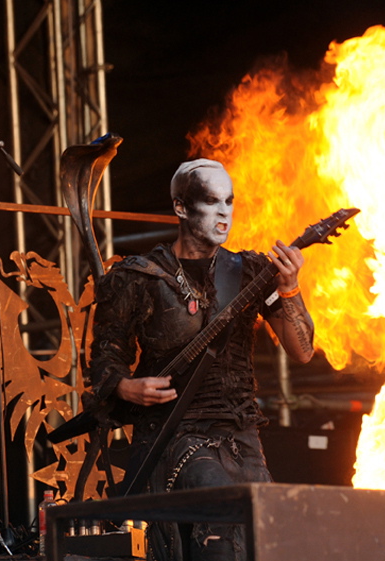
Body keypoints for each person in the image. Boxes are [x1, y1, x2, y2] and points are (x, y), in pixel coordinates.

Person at [86, 158, 315, 561]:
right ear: (180, 207)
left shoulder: (251, 272)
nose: (224, 211)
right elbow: (105, 357)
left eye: (229, 200)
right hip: (175, 433)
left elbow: (303, 350)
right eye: (211, 201)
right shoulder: (138, 277)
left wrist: (291, 288)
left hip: (241, 433)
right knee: (221, 530)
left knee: (273, 531)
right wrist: (127, 387)